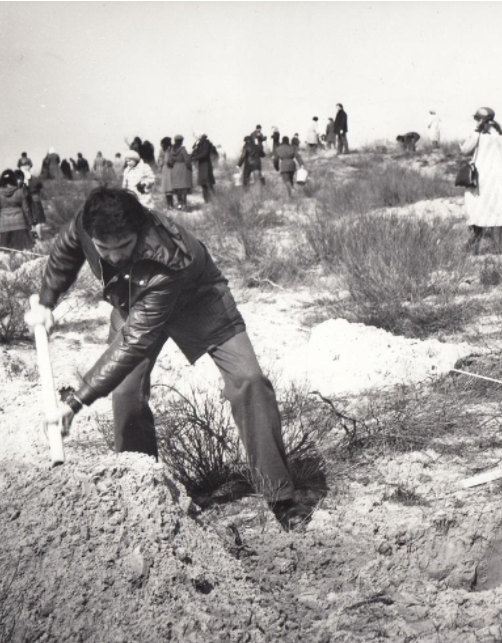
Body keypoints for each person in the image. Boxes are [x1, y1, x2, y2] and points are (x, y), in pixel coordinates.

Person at [31, 187, 312, 529]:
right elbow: (65, 251)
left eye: (124, 247)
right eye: (106, 249)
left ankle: (280, 496)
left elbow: (134, 341)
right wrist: (46, 302)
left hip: (198, 301)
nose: (115, 257)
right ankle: (143, 490)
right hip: (134, 300)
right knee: (125, 391)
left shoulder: (167, 256)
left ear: (140, 229)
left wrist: (75, 402)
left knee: (249, 381)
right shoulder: (86, 223)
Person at [460, 107, 502, 253]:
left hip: (482, 177)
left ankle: (474, 244)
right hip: (501, 177)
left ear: (480, 120)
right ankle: (498, 247)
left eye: (477, 119)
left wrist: (464, 141)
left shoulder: (477, 134)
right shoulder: (500, 135)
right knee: (498, 209)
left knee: (475, 206)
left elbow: (465, 150)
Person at [0, 169, 34, 252]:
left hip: (5, 225)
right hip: (20, 224)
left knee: (5, 253)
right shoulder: (20, 191)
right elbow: (26, 209)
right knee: (20, 252)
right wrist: (30, 222)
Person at [189, 134, 218, 203]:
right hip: (202, 165)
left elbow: (204, 154)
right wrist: (194, 148)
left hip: (206, 165)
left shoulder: (206, 143)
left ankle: (212, 199)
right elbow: (195, 153)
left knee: (207, 183)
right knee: (204, 183)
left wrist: (194, 158)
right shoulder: (200, 144)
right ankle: (207, 199)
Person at [167, 134, 193, 210]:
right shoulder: (183, 149)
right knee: (184, 189)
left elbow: (169, 161)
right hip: (183, 169)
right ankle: (184, 205)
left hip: (175, 169)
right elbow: (187, 160)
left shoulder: (171, 150)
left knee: (177, 188)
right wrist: (190, 167)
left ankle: (179, 205)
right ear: (181, 141)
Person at [157, 137, 174, 209]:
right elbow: (160, 159)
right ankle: (169, 204)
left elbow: (173, 159)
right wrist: (160, 166)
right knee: (166, 188)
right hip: (165, 169)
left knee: (170, 188)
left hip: (171, 169)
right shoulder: (162, 150)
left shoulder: (172, 149)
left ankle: (171, 204)